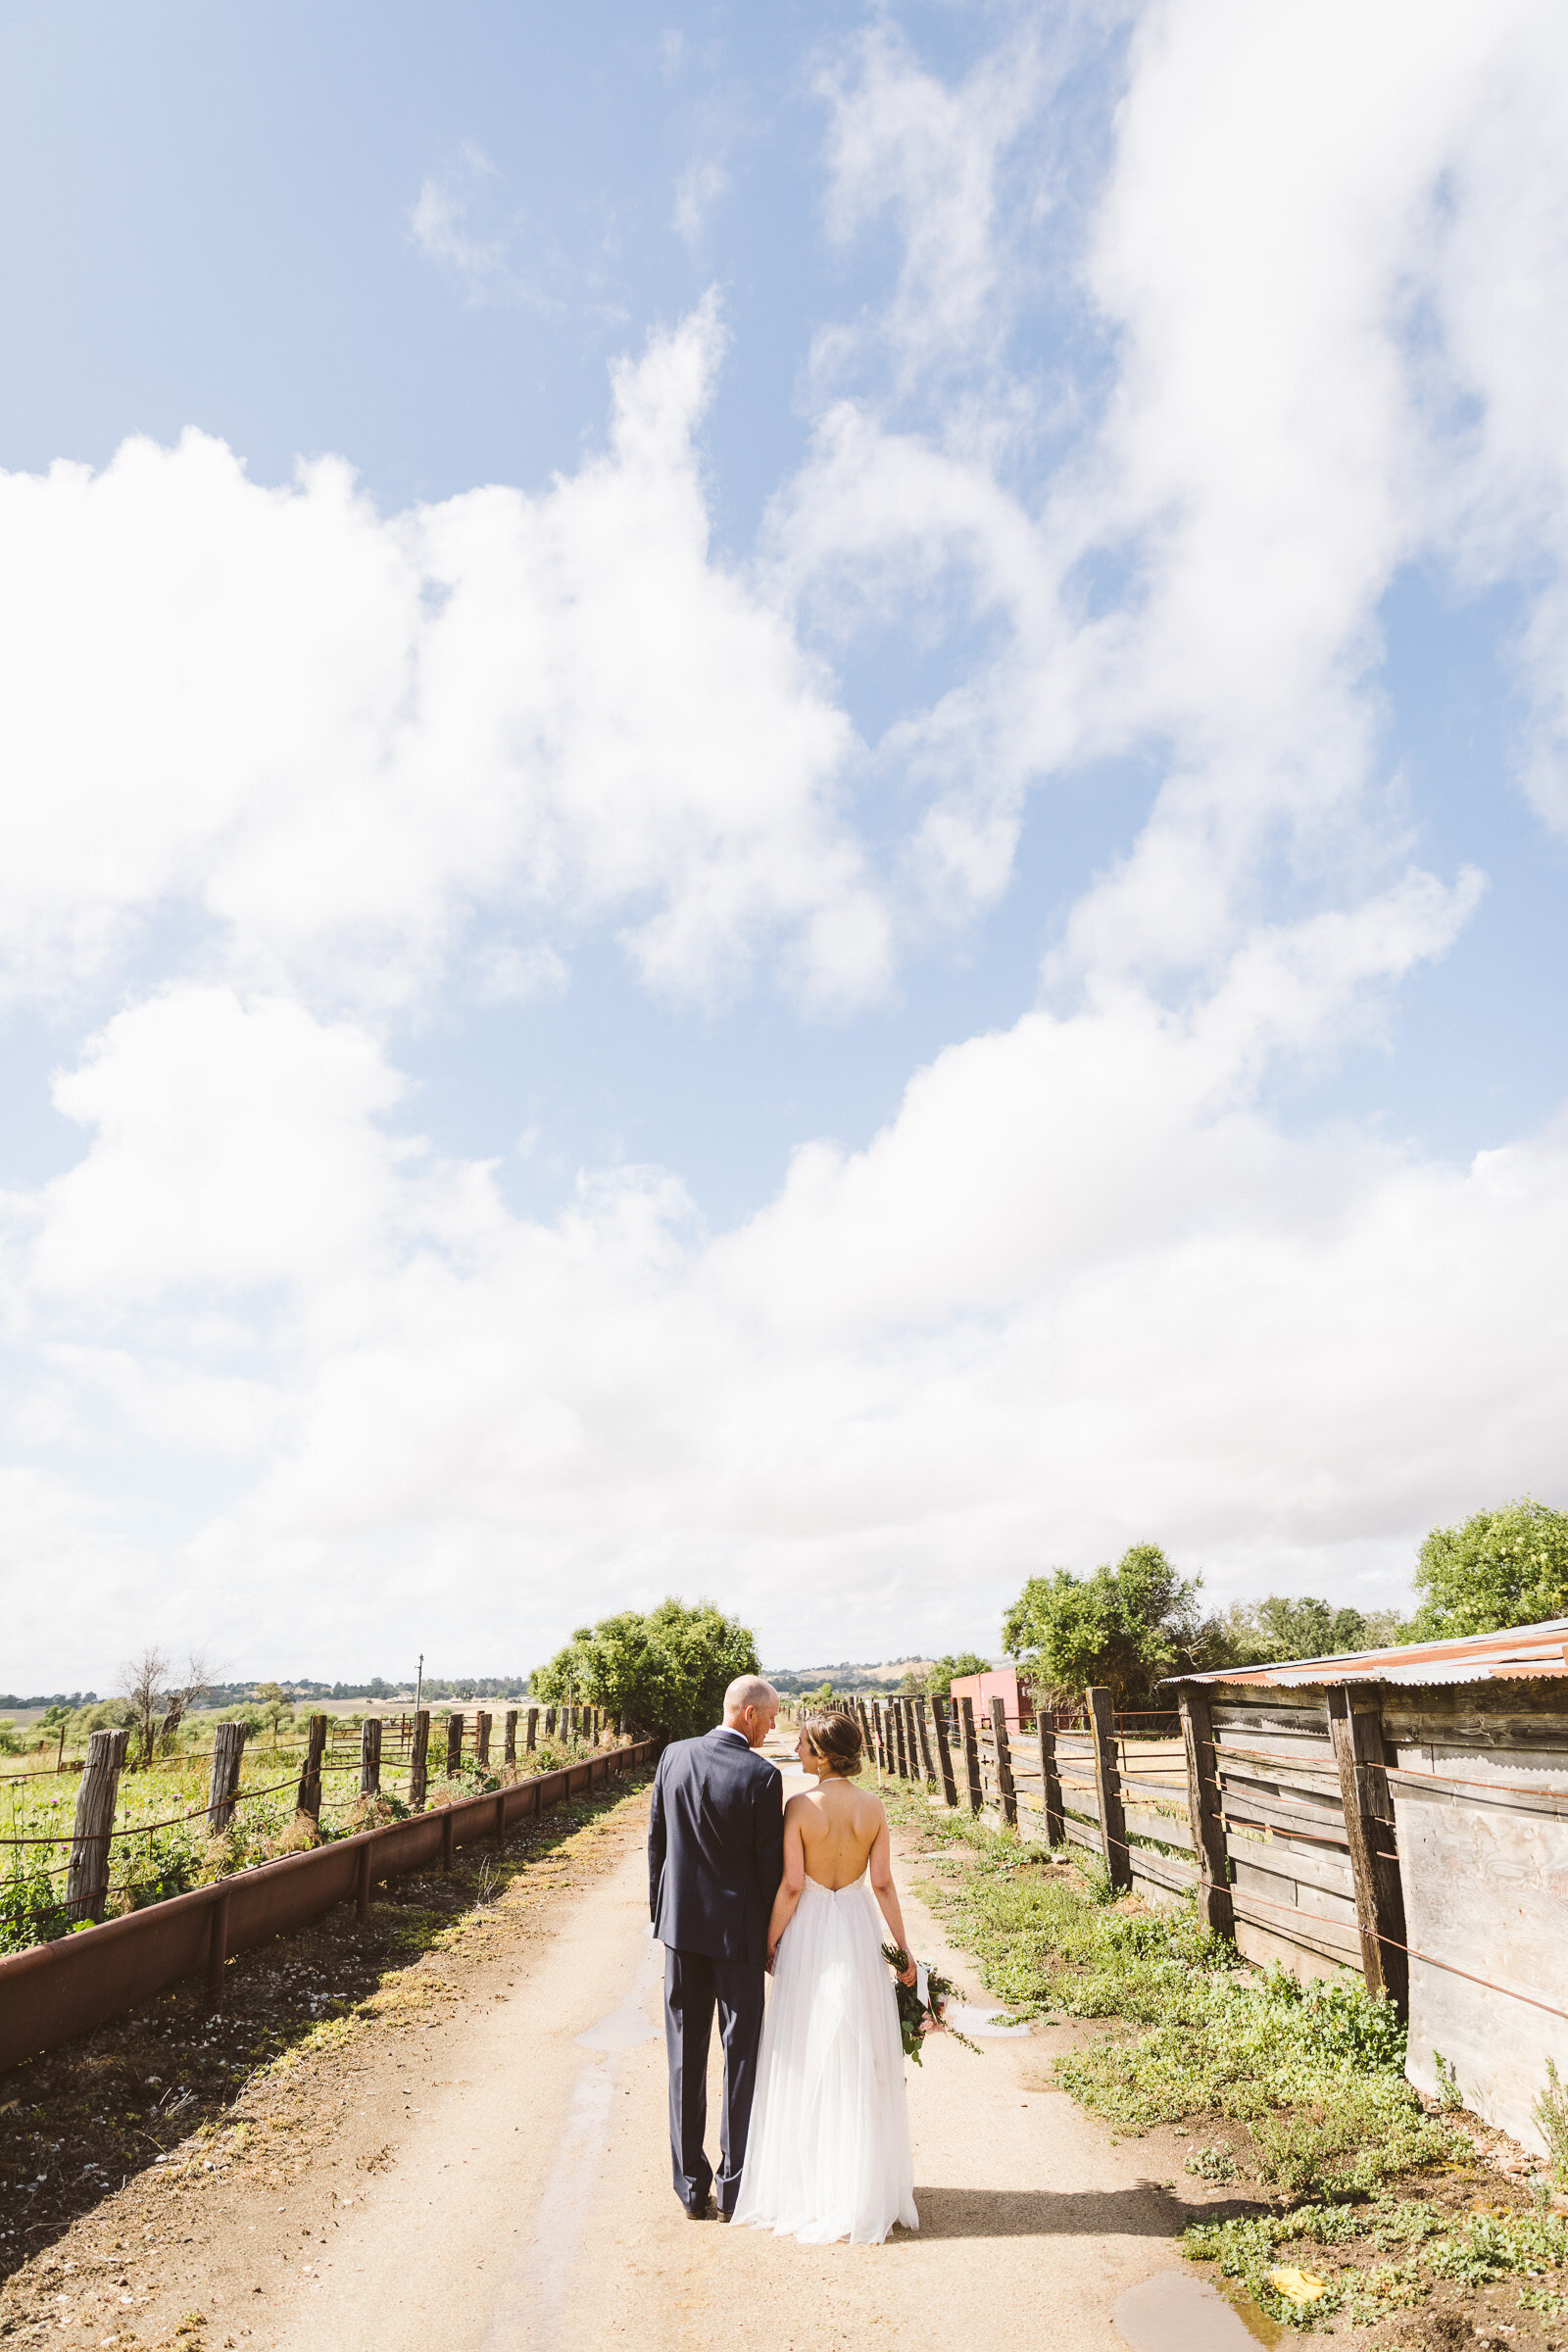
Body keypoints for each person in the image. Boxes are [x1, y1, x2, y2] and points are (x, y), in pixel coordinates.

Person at [731, 1708, 919, 2245]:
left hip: (812, 1928)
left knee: (804, 2043)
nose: (799, 1751)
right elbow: (881, 1883)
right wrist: (903, 1951)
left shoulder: (799, 1807)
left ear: (823, 1753)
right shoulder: (873, 1807)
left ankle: (811, 2181)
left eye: (805, 1746)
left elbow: (791, 1886)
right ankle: (861, 2184)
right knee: (860, 2052)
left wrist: (769, 1941)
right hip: (856, 1927)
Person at [647, 1673, 783, 2221]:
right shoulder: (762, 1777)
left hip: (681, 1933)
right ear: (748, 1714)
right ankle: (734, 2183)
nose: (773, 1728)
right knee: (741, 2053)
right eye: (771, 1718)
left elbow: (657, 1841)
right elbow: (769, 1870)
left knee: (685, 2055)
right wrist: (773, 1939)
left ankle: (688, 2184)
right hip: (739, 1938)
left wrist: (662, 1917)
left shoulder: (672, 1758)